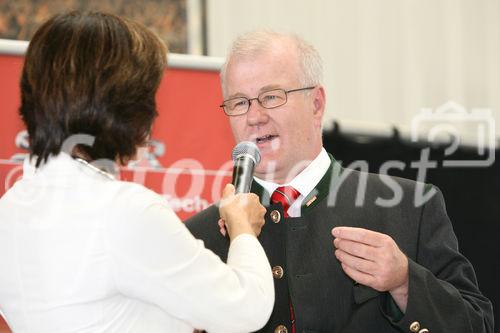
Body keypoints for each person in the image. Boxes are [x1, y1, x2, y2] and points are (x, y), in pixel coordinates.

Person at [186, 30, 494, 332]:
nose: (254, 117)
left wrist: (404, 282)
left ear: (317, 103)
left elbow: (476, 325)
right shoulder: (197, 237)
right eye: (239, 103)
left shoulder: (408, 207)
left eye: (271, 97)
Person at [0, 12, 274, 333]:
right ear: (125, 107)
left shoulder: (10, 209)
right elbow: (245, 309)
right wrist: (242, 228)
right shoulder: (123, 210)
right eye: (148, 97)